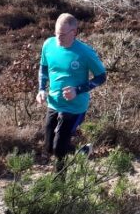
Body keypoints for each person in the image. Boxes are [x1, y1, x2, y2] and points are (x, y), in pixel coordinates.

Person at [36, 13, 107, 172]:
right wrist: (41, 89)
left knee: (59, 149)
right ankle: (82, 152)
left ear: (74, 32)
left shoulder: (85, 52)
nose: (58, 38)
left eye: (62, 35)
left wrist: (78, 90)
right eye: (56, 33)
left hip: (75, 107)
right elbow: (44, 67)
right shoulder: (49, 44)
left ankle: (60, 184)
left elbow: (101, 77)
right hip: (54, 102)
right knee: (49, 147)